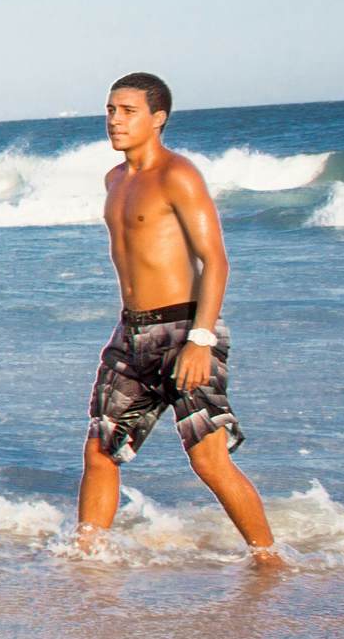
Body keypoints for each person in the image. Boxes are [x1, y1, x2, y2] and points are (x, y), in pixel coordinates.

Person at [78, 72, 276, 554]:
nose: (115, 121)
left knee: (208, 459)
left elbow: (216, 260)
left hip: (185, 327)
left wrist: (201, 339)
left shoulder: (178, 175)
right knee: (102, 450)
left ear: (158, 118)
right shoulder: (115, 179)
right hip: (132, 332)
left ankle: (269, 560)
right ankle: (85, 561)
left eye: (127, 111)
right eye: (110, 110)